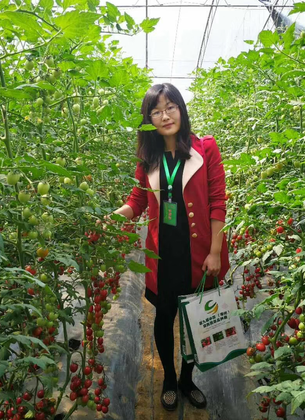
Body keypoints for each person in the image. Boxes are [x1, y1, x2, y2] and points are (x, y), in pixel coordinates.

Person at [112, 83, 230, 411]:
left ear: (181, 109)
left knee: (195, 320)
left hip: (198, 253)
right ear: (148, 119)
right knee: (164, 317)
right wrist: (113, 218)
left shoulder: (205, 148)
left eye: (171, 107)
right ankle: (168, 377)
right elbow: (137, 200)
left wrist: (215, 252)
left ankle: (187, 380)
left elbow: (218, 202)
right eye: (156, 111)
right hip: (161, 254)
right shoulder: (148, 158)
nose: (165, 116)